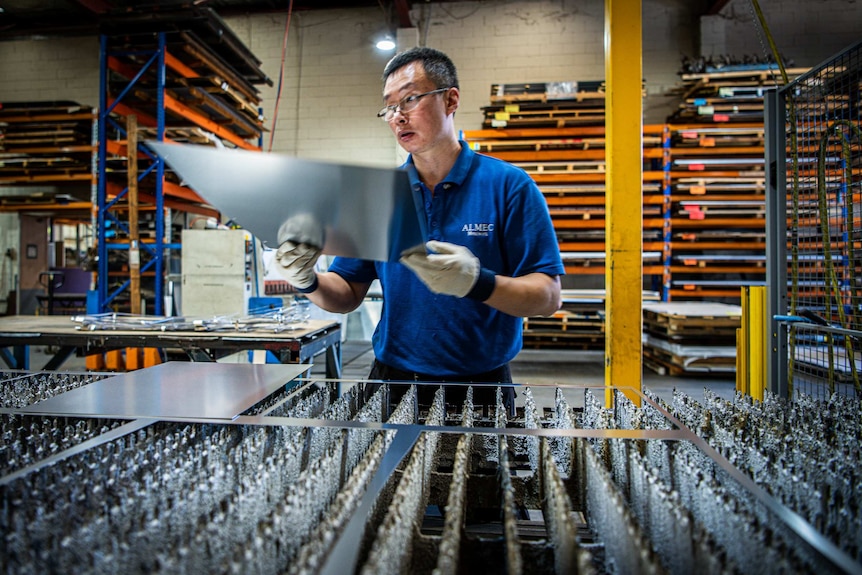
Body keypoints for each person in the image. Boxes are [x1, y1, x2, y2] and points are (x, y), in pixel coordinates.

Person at [275, 46, 564, 415]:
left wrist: (477, 282)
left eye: (409, 99)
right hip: (391, 383)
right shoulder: (377, 196)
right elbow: (347, 293)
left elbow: (547, 296)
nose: (398, 117)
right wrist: (306, 280)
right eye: (389, 107)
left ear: (451, 99)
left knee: (478, 474)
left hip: (481, 387)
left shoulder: (509, 186)